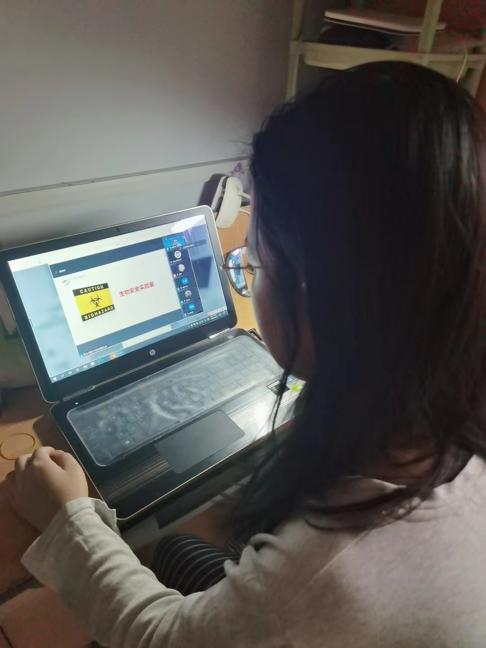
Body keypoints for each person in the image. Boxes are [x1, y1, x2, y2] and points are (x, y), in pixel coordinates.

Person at [6, 62, 486, 647]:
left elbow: (158, 638)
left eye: (253, 262)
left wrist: (67, 519)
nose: (247, 276)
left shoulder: (324, 578)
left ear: (320, 298)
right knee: (178, 550)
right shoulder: (438, 414)